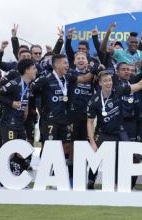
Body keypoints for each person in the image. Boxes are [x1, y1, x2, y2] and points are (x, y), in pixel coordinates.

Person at [86, 63, 142, 189]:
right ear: (100, 84)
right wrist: (92, 141)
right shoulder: (94, 100)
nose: (108, 83)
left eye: (109, 80)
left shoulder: (118, 90)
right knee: (94, 157)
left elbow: (140, 84)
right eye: (105, 81)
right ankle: (90, 182)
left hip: (119, 132)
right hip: (103, 132)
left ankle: (119, 184)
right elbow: (90, 122)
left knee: (126, 156)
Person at [31, 54, 94, 185]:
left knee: (65, 147)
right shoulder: (45, 79)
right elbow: (31, 90)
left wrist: (94, 70)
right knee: (49, 148)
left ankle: (57, 175)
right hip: (50, 120)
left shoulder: (68, 77)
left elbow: (82, 79)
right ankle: (45, 177)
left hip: (65, 120)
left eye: (67, 63)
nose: (67, 65)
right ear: (56, 65)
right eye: (65, 63)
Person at [0, 59, 37, 183]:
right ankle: (2, 179)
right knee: (10, 150)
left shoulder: (28, 85)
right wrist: (11, 103)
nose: (36, 70)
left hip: (19, 123)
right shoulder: (14, 83)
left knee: (24, 151)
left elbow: (24, 100)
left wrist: (25, 110)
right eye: (34, 68)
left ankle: (13, 177)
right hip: (8, 123)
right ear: (27, 70)